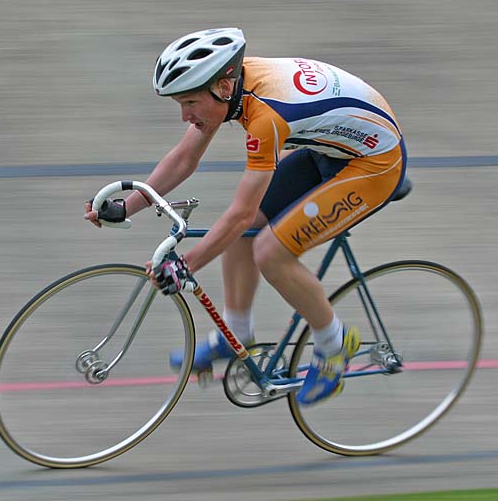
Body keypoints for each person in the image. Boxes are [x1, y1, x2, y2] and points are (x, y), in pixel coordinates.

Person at [84, 27, 406, 405]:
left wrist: (186, 264)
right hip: (332, 149)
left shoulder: (266, 115)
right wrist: (127, 206)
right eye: (179, 105)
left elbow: (241, 213)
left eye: (189, 103)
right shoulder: (232, 86)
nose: (185, 115)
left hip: (374, 165)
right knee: (241, 233)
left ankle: (335, 345)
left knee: (269, 250)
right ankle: (234, 332)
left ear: (222, 86)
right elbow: (185, 157)